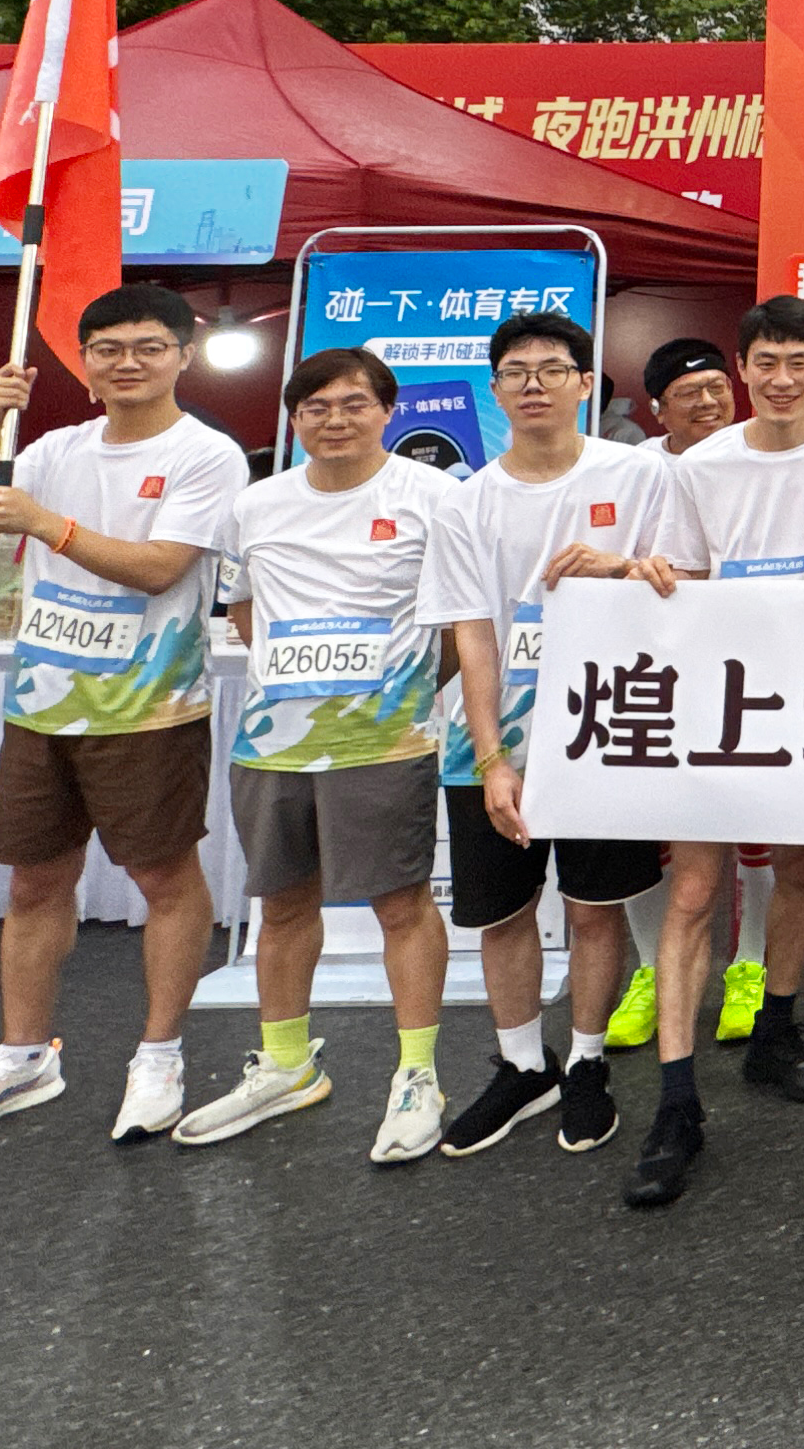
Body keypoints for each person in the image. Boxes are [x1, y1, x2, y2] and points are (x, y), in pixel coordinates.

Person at [0, 286, 246, 1150]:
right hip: (43, 705)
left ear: (183, 356)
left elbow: (161, 568)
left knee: (165, 881)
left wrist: (45, 525)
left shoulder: (206, 454)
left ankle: (160, 1056)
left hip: (149, 710)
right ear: (84, 362)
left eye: (148, 346)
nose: (127, 362)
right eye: (108, 349)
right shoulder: (53, 447)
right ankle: (23, 1058)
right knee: (33, 882)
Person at [174, 346, 463, 1162]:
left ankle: (417, 1076)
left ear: (388, 411)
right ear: (295, 419)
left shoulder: (434, 497)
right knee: (283, 905)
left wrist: (404, 697)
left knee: (400, 905)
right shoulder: (256, 504)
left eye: (353, 404)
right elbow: (242, 609)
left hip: (384, 740)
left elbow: (460, 620)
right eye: (315, 408)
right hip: (273, 742)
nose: (334, 421)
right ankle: (288, 1065)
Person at [423, 311, 698, 1161]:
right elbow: (473, 635)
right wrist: (491, 759)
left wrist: (618, 566)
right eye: (516, 372)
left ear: (585, 384)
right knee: (502, 912)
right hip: (493, 740)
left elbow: (683, 583)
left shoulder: (640, 474)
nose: (533, 383)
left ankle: (585, 1062)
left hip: (607, 729)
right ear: (496, 389)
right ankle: (520, 1067)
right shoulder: (465, 502)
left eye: (552, 368)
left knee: (592, 908)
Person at [622, 295, 804, 1208]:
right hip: (716, 695)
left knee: (800, 865)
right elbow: (682, 572)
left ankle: (776, 1028)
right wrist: (653, 575)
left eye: (799, 362)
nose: (781, 379)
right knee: (695, 889)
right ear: (743, 368)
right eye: (766, 362)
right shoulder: (703, 465)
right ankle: (676, 1101)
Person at [606, 335, 741, 1053]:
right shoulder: (635, 470)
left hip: (748, 668)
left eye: (719, 387)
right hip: (656, 668)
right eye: (690, 394)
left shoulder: (754, 455)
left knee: (757, 835)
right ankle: (651, 973)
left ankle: (749, 968)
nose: (709, 402)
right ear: (658, 408)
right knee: (650, 832)